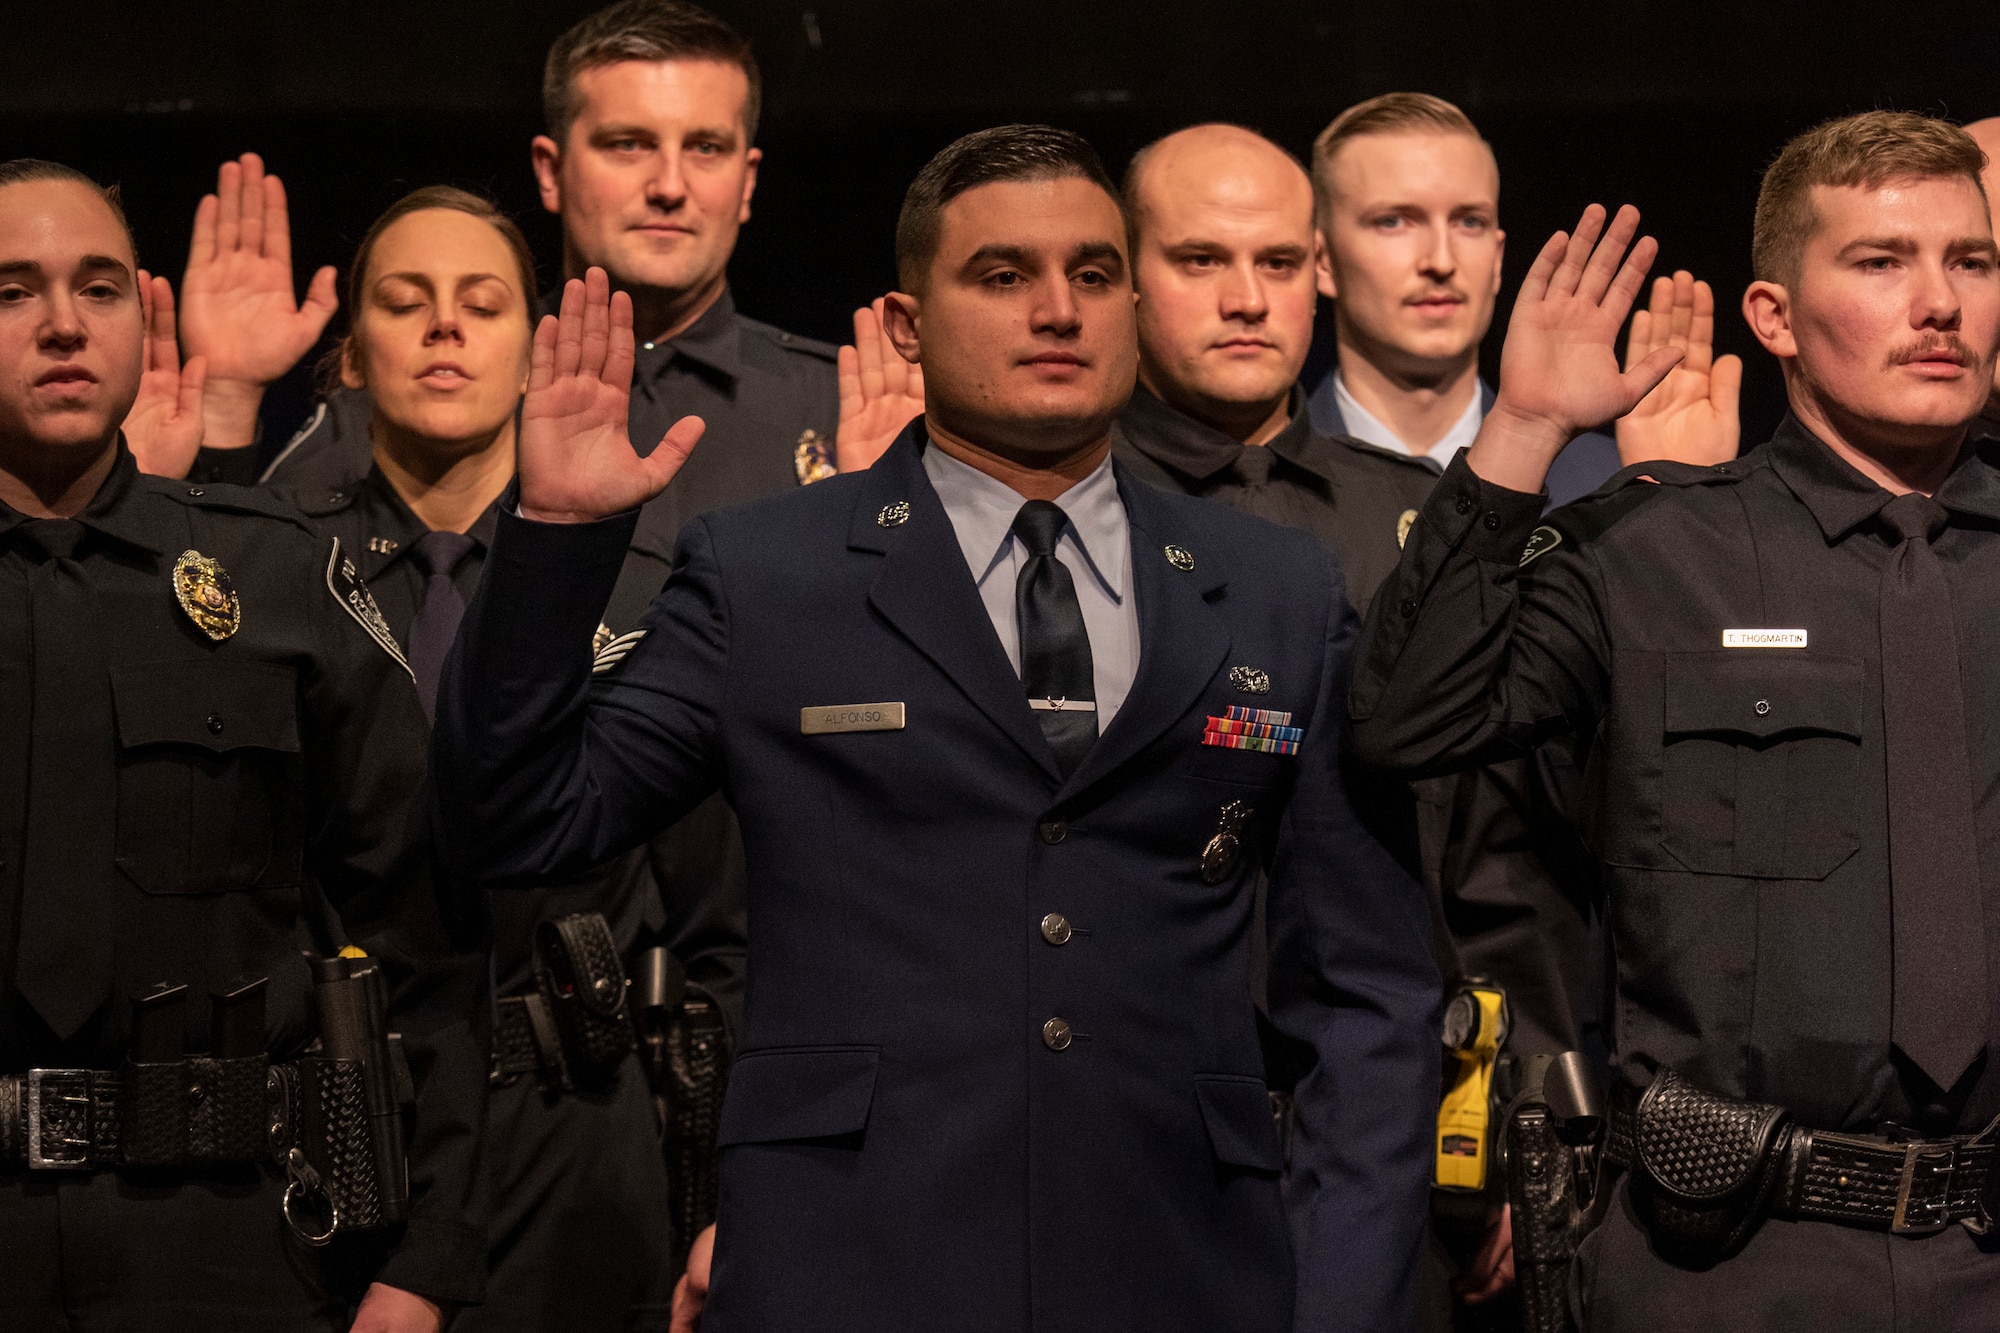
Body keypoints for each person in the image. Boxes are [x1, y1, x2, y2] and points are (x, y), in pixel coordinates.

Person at [431, 124, 1439, 1332]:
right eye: (1002, 276)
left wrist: (1334, 1299)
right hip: (849, 1265)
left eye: (1094, 274)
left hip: (1185, 1269)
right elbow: (514, 820)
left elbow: (1368, 994)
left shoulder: (1276, 585)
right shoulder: (770, 575)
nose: (1056, 310)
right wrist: (552, 540)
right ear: (907, 326)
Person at [1350, 111, 2000, 1328]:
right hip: (1733, 1258)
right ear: (1771, 316)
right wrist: (1528, 429)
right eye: (1879, 262)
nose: (1938, 304)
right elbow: (1404, 719)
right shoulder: (1649, 551)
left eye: (1969, 262)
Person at [1115, 118, 1604, 1327]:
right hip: (1122, 1111)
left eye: (1276, 264)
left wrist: (1498, 1124)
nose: (1245, 299)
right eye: (1197, 262)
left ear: (1314, 272)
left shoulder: (1431, 521)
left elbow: (1499, 865)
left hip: (1390, 1132)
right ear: (1124, 275)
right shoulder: (1072, 510)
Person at [0, 160, 486, 1332]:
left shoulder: (275, 576)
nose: (65, 323)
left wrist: (426, 1259)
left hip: (226, 1233)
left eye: (100, 287)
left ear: (142, 312)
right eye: (11, 291)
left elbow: (426, 931)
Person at [266, 184, 730, 1331]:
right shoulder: (280, 573)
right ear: (350, 355)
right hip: (349, 1124)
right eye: (404, 301)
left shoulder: (645, 579)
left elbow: (721, 911)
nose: (443, 328)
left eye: (481, 303)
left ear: (534, 348)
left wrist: (727, 1191)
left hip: (580, 1121)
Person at [180, 1, 915, 504]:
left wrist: (900, 516)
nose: (668, 185)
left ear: (747, 181)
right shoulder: (434, 379)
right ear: (550, 169)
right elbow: (257, 596)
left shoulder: (840, 405)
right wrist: (227, 401)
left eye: (706, 148)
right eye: (627, 145)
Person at [1305, 94, 1624, 507]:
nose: (1441, 261)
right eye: (1393, 221)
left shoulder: (1606, 487)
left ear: (1496, 259)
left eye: (1469, 222)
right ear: (1323, 261)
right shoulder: (1258, 482)